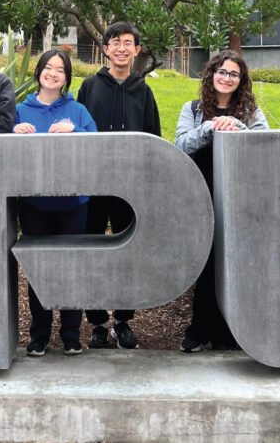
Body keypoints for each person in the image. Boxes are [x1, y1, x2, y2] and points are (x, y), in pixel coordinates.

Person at [174, 50, 267, 352]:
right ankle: (199, 329)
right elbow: (180, 145)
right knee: (206, 263)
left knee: (233, 262)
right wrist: (210, 127)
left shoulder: (252, 111)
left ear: (241, 80)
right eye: (222, 72)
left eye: (233, 74)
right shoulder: (193, 109)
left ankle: (229, 332)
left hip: (239, 197)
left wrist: (236, 126)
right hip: (201, 196)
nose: (226, 78)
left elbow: (264, 144)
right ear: (211, 74)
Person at [76, 21, 161, 350]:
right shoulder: (89, 86)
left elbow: (153, 136)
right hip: (94, 183)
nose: (122, 48)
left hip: (131, 186)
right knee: (93, 250)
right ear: (105, 48)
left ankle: (124, 320)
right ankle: (97, 322)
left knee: (130, 253)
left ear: (137, 50)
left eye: (128, 43)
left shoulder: (144, 90)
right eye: (115, 42)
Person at [13, 49, 97, 357]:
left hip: (73, 202)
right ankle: (39, 335)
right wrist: (14, 131)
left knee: (72, 267)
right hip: (34, 203)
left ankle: (72, 334)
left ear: (67, 77)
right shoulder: (21, 110)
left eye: (60, 70)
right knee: (39, 269)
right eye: (48, 67)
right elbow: (3, 147)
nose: (53, 73)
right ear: (38, 72)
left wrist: (76, 130)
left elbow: (97, 142)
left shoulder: (77, 111)